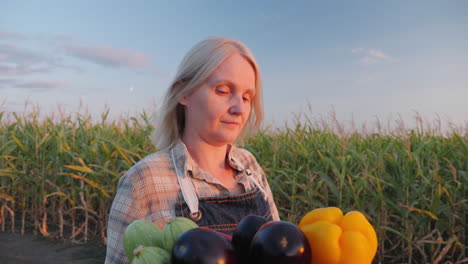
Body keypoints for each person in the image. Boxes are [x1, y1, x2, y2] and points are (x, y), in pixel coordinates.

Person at [105, 37, 280, 263]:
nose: (239, 108)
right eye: (223, 91)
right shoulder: (143, 182)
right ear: (183, 93)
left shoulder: (249, 166)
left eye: (247, 97)